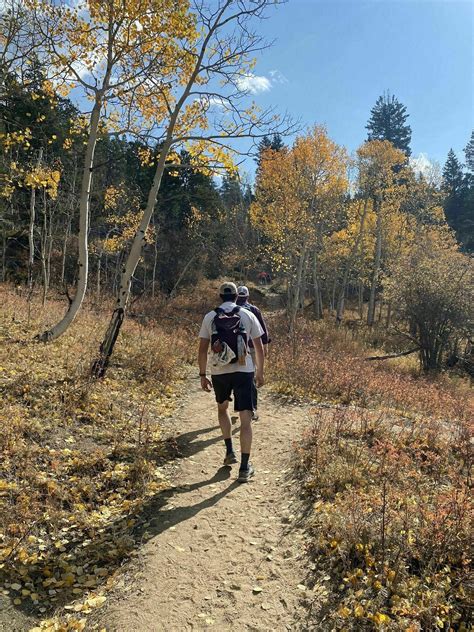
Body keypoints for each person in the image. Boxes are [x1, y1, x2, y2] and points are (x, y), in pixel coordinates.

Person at [198, 282, 265, 483]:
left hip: (219, 371)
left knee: (222, 409)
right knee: (245, 419)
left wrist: (203, 374)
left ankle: (229, 451)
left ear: (220, 296)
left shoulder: (210, 317)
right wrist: (260, 372)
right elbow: (259, 348)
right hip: (244, 370)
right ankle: (245, 467)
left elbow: (202, 350)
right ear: (237, 296)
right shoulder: (248, 314)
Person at [236, 285, 270, 421]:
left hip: (236, 349)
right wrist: (265, 347)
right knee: (250, 377)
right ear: (248, 296)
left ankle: (239, 405)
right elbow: (263, 331)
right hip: (252, 348)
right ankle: (252, 408)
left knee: (237, 375)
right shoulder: (254, 310)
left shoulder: (231, 310)